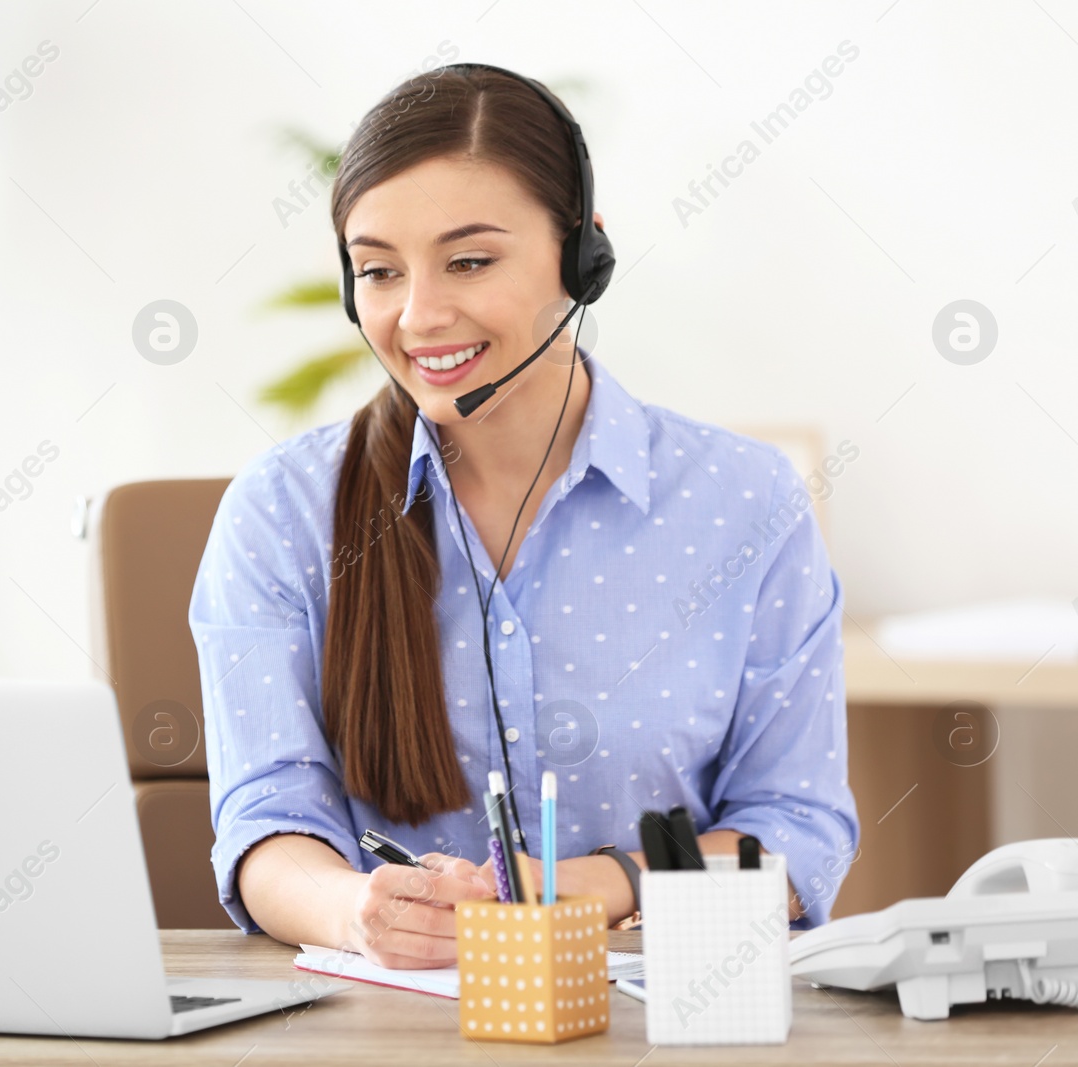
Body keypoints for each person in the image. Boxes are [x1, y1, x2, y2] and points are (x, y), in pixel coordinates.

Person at [188, 65, 859, 969]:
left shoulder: (744, 502)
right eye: (379, 270)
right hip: (387, 1025)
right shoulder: (282, 512)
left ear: (584, 257)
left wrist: (580, 884)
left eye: (469, 260)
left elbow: (797, 828)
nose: (418, 316)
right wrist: (362, 910)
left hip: (671, 1015)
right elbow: (267, 825)